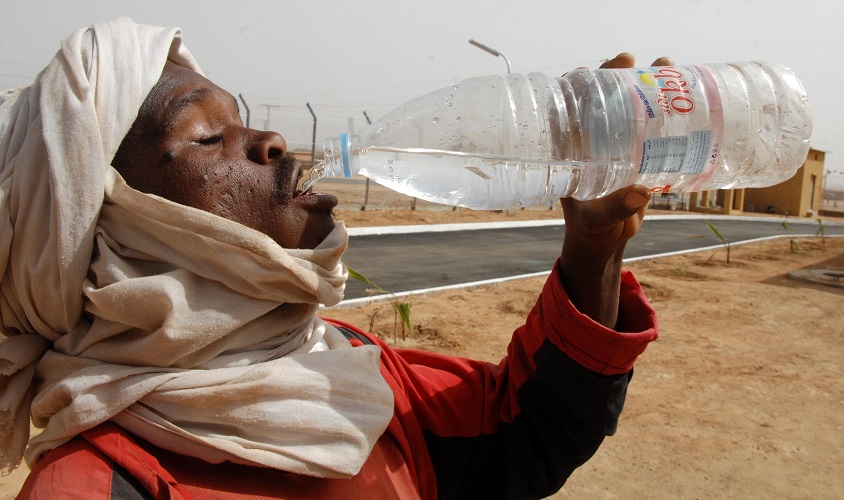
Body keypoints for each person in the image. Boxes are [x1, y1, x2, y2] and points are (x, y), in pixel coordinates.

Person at [1, 18, 660, 499]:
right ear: (116, 233)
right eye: (205, 135)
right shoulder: (100, 484)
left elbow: (529, 432)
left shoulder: (349, 368)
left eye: (243, 118)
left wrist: (594, 247)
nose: (270, 140)